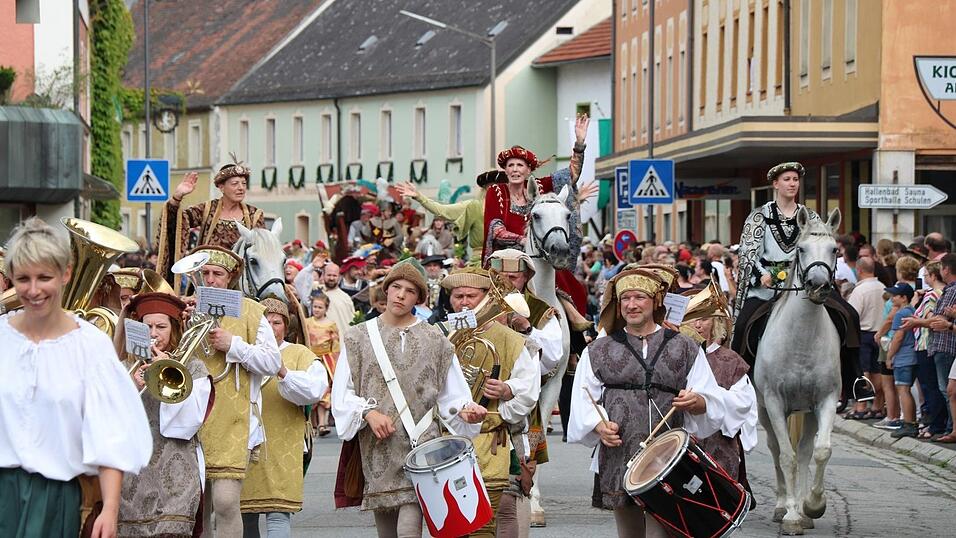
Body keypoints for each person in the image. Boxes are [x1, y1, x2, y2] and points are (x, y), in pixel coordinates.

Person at [0, 217, 152, 537]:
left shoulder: (90, 345)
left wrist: (110, 510)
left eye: (44, 277)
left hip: (54, 499)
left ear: (65, 273)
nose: (33, 289)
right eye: (23, 278)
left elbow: (109, 433)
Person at [331, 259, 488, 537]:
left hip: (423, 446)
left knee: (408, 529)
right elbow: (342, 393)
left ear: (419, 298)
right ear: (386, 290)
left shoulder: (436, 339)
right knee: (388, 532)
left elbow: (453, 394)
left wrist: (466, 410)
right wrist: (367, 412)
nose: (401, 295)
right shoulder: (357, 337)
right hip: (379, 449)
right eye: (395, 287)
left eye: (410, 291)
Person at [568, 268, 724, 538]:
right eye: (625, 298)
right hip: (620, 453)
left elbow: (708, 397)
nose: (631, 305)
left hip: (668, 456)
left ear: (655, 301)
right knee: (628, 534)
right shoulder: (598, 350)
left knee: (661, 533)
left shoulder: (685, 346)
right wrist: (598, 426)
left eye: (639, 297)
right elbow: (584, 397)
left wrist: (696, 400)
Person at [730, 162, 869, 402]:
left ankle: (855, 379)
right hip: (768, 286)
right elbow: (747, 254)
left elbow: (822, 250)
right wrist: (761, 274)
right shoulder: (759, 216)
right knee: (742, 326)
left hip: (807, 284)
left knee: (849, 315)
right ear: (775, 184)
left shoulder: (812, 217)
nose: (792, 183)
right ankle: (738, 382)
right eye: (787, 179)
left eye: (795, 179)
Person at [187, 245, 282, 537]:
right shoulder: (187, 308)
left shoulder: (252, 310)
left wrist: (234, 345)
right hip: (192, 418)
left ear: (230, 278)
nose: (211, 279)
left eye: (218, 273)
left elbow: (272, 361)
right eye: (205, 273)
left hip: (235, 419)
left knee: (226, 502)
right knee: (194, 505)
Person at [442, 266, 541, 538]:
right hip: (449, 440)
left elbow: (529, 389)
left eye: (470, 296)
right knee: (452, 521)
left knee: (486, 522)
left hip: (492, 440)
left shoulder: (511, 340)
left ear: (487, 297)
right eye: (457, 296)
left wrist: (508, 389)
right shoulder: (442, 335)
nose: (463, 302)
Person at [116, 292, 213, 537]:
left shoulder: (193, 367)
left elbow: (188, 424)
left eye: (161, 326)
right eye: (147, 326)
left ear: (173, 329)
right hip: (133, 475)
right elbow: (110, 422)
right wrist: (132, 389)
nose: (153, 333)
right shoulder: (125, 368)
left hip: (177, 475)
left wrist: (166, 372)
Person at [481, 115, 596, 314]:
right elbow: (496, 229)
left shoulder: (541, 186)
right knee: (481, 295)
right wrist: (525, 241)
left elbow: (571, 174)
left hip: (541, 255)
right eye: (510, 165)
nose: (515, 169)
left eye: (520, 165)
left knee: (574, 288)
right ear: (505, 170)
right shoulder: (496, 191)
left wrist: (579, 143)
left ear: (528, 170)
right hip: (508, 258)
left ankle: (577, 329)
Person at [241, 298, 328, 537]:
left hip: (284, 443)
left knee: (278, 513)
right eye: (264, 322)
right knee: (244, 515)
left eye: (276, 322)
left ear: (285, 326)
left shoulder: (299, 353)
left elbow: (315, 390)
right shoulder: (242, 351)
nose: (270, 327)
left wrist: (281, 370)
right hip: (244, 444)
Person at [681, 281, 757, 491]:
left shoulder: (731, 361)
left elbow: (743, 402)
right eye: (691, 320)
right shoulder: (676, 356)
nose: (697, 325)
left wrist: (709, 401)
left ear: (715, 323)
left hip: (719, 444)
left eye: (703, 319)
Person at [155, 162, 265, 282]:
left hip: (243, 282)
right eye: (235, 184)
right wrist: (177, 197)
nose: (241, 188)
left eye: (244, 183)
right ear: (221, 187)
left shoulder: (255, 215)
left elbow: (262, 252)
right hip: (208, 279)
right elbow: (177, 222)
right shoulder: (207, 209)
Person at [396, 171, 507, 267]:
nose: (497, 191)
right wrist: (419, 196)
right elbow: (442, 210)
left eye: (501, 187)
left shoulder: (511, 207)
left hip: (508, 261)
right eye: (493, 187)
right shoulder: (474, 206)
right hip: (481, 262)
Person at [900, 260, 949, 438]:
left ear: (933, 275)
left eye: (926, 275)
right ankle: (938, 422)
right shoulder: (941, 292)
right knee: (935, 386)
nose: (925, 278)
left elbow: (928, 318)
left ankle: (936, 425)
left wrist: (914, 308)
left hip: (926, 343)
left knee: (930, 386)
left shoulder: (931, 295)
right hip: (932, 344)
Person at [846, 257, 888, 420]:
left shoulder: (860, 290)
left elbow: (853, 314)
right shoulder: (882, 287)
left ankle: (861, 406)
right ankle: (878, 406)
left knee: (862, 372)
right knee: (878, 371)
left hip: (863, 333)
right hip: (881, 333)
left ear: (859, 270)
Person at [925, 253, 956, 443]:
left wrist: (918, 322)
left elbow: (940, 320)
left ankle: (950, 427)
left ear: (946, 269)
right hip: (943, 343)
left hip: (947, 344)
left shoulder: (952, 290)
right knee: (949, 390)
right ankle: (951, 429)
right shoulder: (948, 290)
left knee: (947, 390)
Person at [885, 283, 919, 438]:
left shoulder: (900, 314)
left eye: (896, 295)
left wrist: (889, 356)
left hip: (903, 356)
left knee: (903, 390)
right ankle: (910, 421)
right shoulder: (911, 310)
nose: (892, 298)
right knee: (907, 390)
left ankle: (909, 423)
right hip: (912, 355)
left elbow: (898, 337)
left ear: (904, 298)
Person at [305, 293, 339, 437]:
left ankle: (323, 423)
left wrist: (335, 364)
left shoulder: (331, 325)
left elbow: (335, 345)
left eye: (320, 307)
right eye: (315, 307)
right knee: (311, 390)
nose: (317, 310)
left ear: (326, 308)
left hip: (326, 360)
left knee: (325, 391)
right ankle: (311, 424)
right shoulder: (307, 322)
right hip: (311, 358)